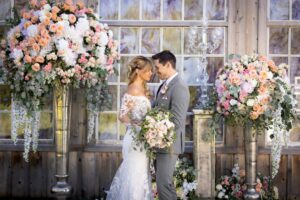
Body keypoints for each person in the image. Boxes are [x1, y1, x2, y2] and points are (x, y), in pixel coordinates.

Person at [106, 56, 154, 200]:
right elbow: (122, 116)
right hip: (135, 139)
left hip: (144, 139)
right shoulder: (132, 89)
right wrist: (137, 126)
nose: (151, 73)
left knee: (142, 174)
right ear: (138, 71)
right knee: (134, 174)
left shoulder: (144, 88)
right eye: (148, 70)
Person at [152, 50, 190, 200]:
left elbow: (177, 121)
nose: (156, 71)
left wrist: (156, 131)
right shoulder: (164, 85)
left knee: (164, 185)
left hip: (169, 145)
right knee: (163, 185)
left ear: (168, 65)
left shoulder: (179, 86)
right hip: (159, 144)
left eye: (157, 67)